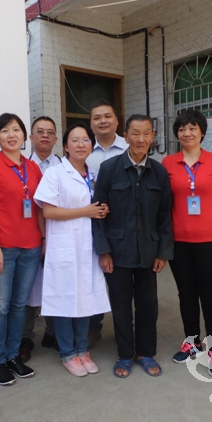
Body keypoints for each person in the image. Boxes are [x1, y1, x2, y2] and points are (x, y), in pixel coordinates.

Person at [93, 114, 173, 378]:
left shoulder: (160, 172)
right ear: (125, 136)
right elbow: (98, 213)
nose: (141, 139)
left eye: (146, 133)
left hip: (149, 253)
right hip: (117, 252)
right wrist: (103, 251)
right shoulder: (109, 169)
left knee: (148, 304)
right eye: (135, 133)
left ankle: (146, 352)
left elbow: (164, 216)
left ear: (152, 137)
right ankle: (125, 355)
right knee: (121, 305)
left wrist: (163, 252)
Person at [162, 109, 212, 378]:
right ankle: (192, 343)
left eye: (192, 128)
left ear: (202, 132)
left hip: (210, 241)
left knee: (211, 295)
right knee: (186, 295)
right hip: (179, 243)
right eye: (181, 129)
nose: (187, 133)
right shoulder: (168, 164)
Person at [34, 122, 111, 376]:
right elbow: (48, 211)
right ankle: (68, 352)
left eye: (86, 140)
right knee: (66, 300)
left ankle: (83, 349)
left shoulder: (94, 175)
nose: (81, 144)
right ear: (65, 146)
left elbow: (99, 206)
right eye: (75, 140)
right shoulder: (55, 173)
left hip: (88, 247)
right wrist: (86, 211)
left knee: (85, 299)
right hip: (64, 247)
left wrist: (102, 211)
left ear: (92, 145)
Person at [0, 113, 45, 385]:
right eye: (5, 131)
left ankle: (13, 355)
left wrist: (42, 240)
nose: (11, 135)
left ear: (25, 136)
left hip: (30, 247)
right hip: (2, 248)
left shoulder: (33, 168)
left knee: (19, 306)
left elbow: (39, 208)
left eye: (16, 130)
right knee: (0, 307)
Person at [84, 98, 128, 348]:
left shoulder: (128, 147)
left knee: (121, 279)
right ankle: (93, 325)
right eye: (97, 117)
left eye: (107, 116)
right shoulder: (83, 150)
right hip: (90, 218)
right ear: (91, 123)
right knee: (93, 274)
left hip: (122, 221)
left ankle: (126, 330)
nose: (102, 121)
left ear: (116, 120)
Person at [20, 116, 62, 362]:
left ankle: (52, 333)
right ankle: (26, 337)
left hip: (57, 237)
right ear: (31, 138)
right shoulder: (23, 167)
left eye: (50, 132)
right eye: (40, 131)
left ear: (56, 139)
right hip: (29, 237)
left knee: (54, 285)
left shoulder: (64, 166)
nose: (45, 135)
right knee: (29, 288)